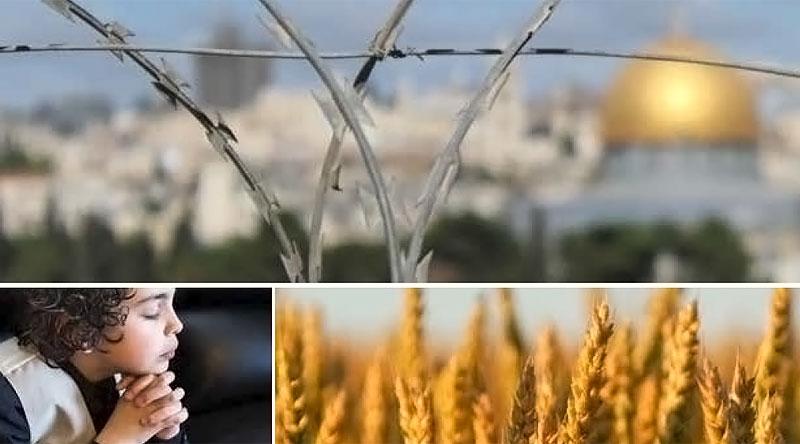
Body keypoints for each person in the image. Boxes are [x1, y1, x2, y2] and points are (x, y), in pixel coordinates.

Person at [0, 288, 189, 444]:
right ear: (80, 329)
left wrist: (163, 435)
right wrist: (121, 439)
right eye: (152, 312)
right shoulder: (10, 395)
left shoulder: (133, 373)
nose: (176, 324)